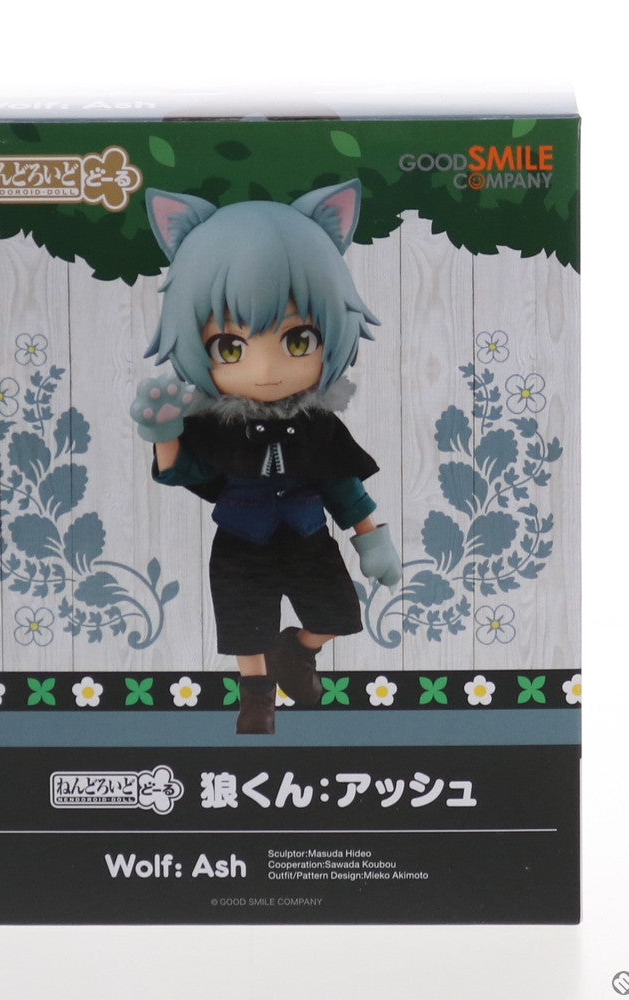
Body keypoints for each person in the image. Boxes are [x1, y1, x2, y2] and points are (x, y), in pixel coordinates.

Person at [130, 180, 401, 734]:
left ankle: (296, 652)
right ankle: (256, 696)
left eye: (299, 340)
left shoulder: (318, 424)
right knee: (243, 622)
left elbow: (343, 485)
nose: (266, 369)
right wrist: (163, 431)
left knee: (336, 614)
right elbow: (184, 471)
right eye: (230, 347)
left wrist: (372, 540)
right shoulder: (216, 426)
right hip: (240, 540)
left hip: (307, 533)